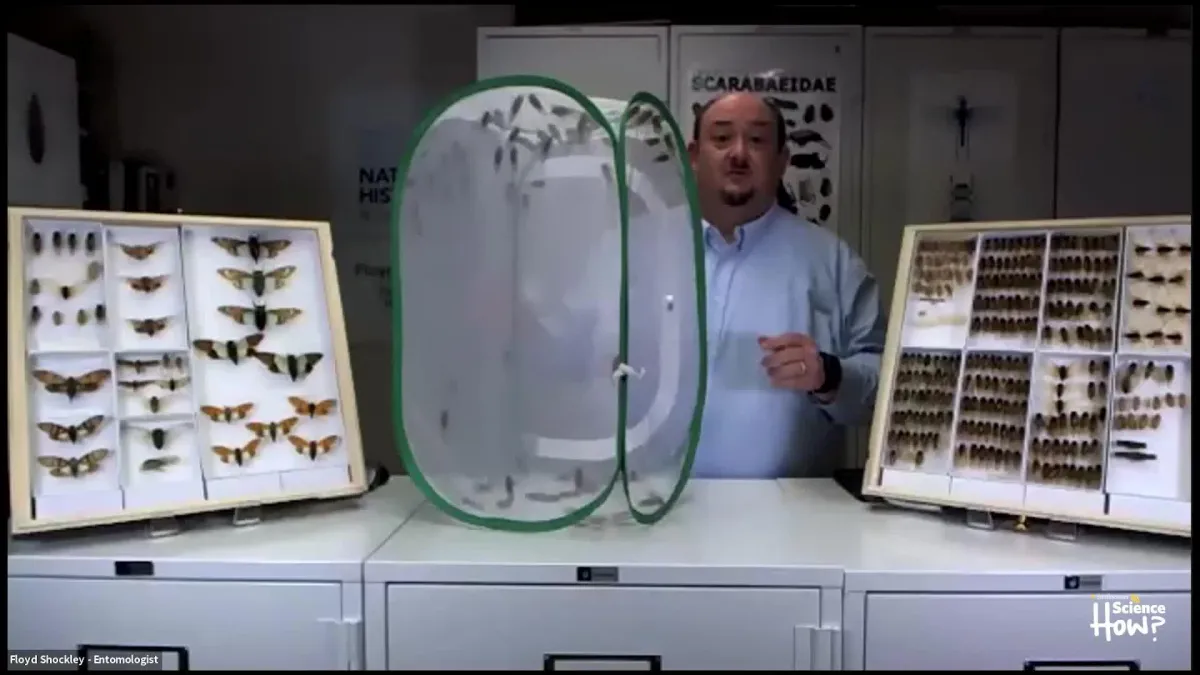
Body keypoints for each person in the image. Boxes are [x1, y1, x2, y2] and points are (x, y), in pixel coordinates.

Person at [688, 92, 885, 478]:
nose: (739, 154)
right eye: (722, 138)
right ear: (695, 155)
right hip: (658, 514)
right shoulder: (645, 256)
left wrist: (829, 376)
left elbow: (888, 389)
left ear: (782, 160)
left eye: (758, 140)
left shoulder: (833, 263)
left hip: (792, 518)